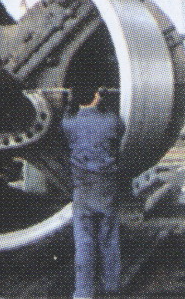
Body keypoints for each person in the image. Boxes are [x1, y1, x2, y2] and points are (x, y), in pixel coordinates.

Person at [62, 86, 125, 299]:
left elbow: (65, 121)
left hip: (82, 191)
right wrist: (107, 103)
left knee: (83, 243)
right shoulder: (110, 121)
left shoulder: (68, 124)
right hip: (106, 189)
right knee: (109, 239)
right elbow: (120, 128)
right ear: (97, 96)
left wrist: (68, 103)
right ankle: (111, 286)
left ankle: (83, 293)